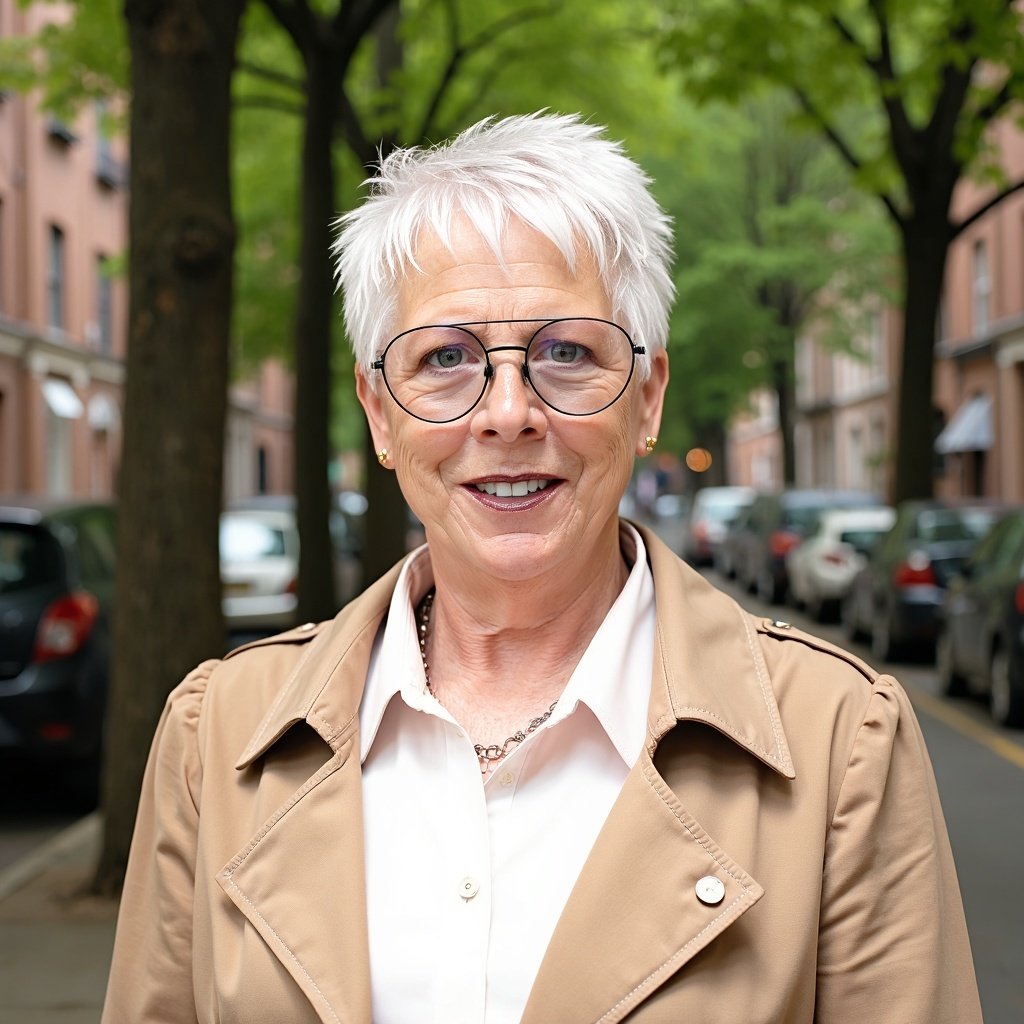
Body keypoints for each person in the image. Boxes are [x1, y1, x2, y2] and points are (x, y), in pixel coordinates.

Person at [102, 112, 982, 1024]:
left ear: (647, 399)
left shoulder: (841, 745)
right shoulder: (216, 736)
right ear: (379, 413)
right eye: (445, 358)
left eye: (567, 352)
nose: (509, 413)